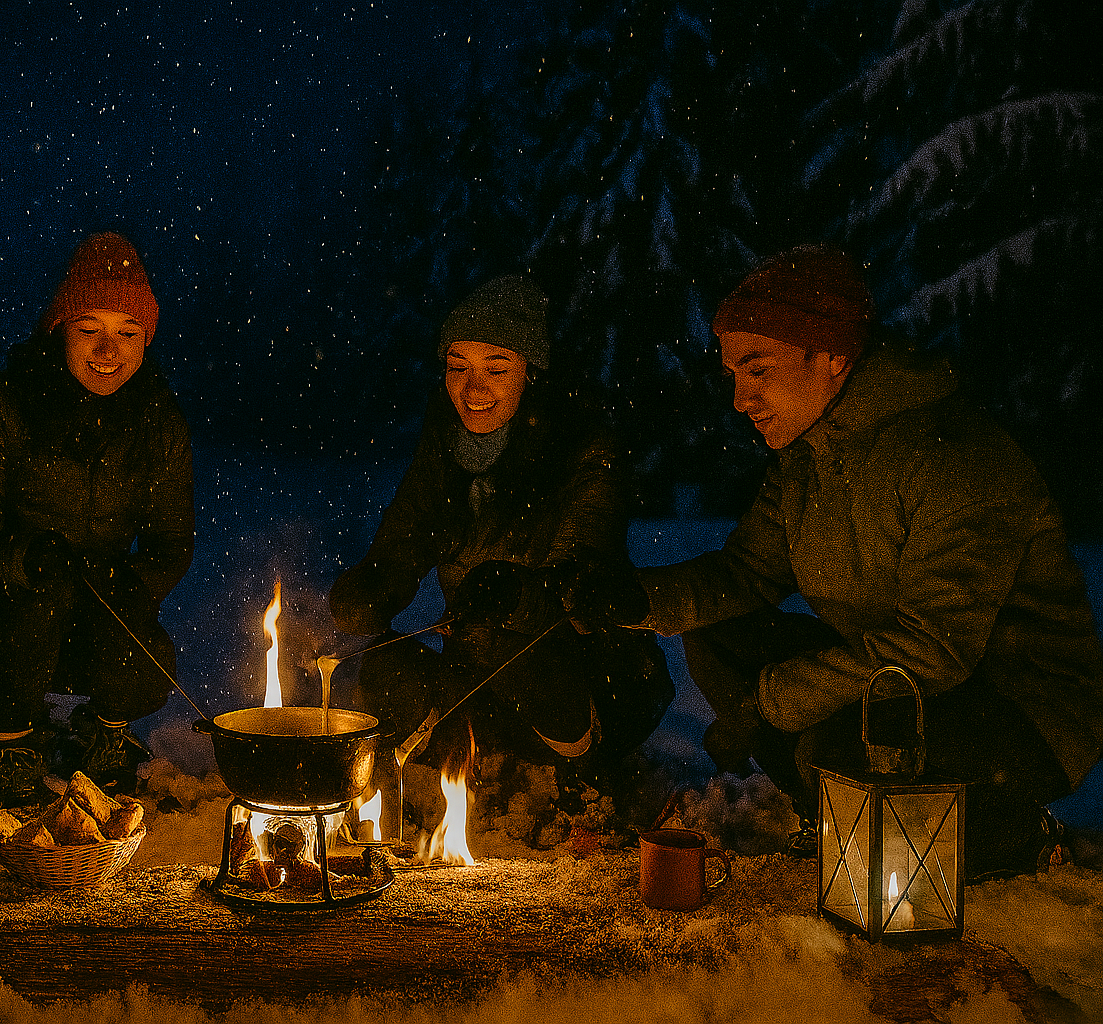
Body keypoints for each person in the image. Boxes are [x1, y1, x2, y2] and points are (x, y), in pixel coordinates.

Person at [628, 243, 1103, 877]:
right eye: (732, 373)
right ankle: (847, 815)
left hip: (1016, 704)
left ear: (830, 357)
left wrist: (770, 703)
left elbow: (935, 648)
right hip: (893, 682)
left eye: (758, 368)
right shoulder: (809, 457)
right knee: (721, 637)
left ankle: (999, 827)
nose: (740, 398)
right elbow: (744, 575)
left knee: (832, 744)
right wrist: (623, 600)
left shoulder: (951, 457)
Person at [329, 275, 674, 820]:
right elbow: (409, 532)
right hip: (480, 673)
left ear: (530, 374)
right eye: (457, 367)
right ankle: (486, 768)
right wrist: (378, 582)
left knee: (508, 649)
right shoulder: (448, 443)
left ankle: (581, 773)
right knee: (380, 669)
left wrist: (517, 593)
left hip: (594, 679)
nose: (472, 390)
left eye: (496, 369)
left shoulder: (583, 446)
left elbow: (581, 575)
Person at [0, 232, 193, 807]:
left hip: (98, 600)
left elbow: (172, 538)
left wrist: (133, 584)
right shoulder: (1, 406)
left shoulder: (157, 422)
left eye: (127, 334)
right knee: (31, 615)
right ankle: (11, 739)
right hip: (4, 600)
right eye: (89, 330)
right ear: (58, 331)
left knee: (142, 659)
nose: (109, 350)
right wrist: (25, 558)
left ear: (146, 340)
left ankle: (107, 734)